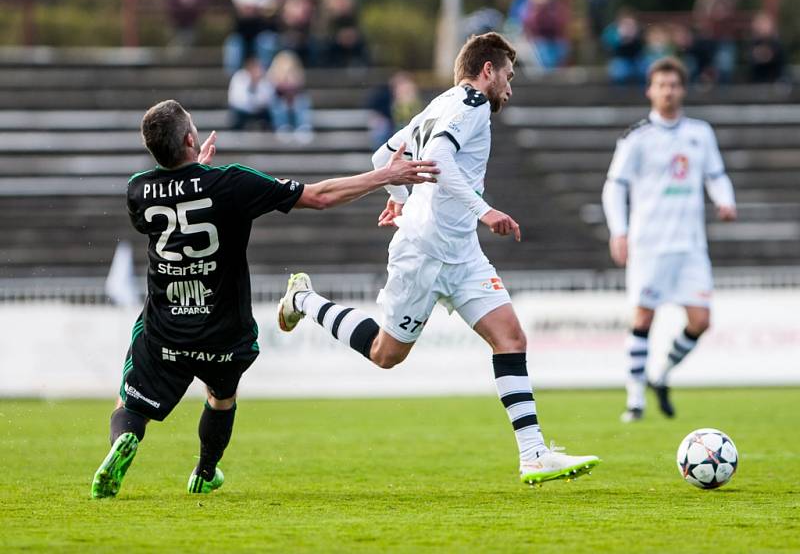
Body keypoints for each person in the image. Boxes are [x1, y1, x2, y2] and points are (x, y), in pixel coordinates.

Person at [277, 32, 600, 485]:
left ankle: (533, 454)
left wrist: (399, 195)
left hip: (462, 252)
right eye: (508, 74)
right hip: (424, 251)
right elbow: (440, 156)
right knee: (385, 355)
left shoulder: (438, 105)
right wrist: (484, 210)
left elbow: (384, 154)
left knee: (510, 337)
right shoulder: (471, 106)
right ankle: (305, 299)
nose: (510, 85)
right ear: (487, 70)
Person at [90, 99, 439, 499]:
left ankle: (124, 441)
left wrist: (191, 173)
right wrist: (386, 175)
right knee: (221, 398)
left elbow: (177, 197)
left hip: (166, 328)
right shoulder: (230, 183)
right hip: (223, 329)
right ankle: (205, 471)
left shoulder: (138, 189)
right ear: (190, 138)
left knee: (130, 404)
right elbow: (319, 196)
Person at [601, 57, 737, 423]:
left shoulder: (700, 132)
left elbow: (716, 175)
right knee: (644, 316)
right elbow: (613, 188)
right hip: (650, 243)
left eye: (674, 85)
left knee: (701, 320)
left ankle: (659, 374)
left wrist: (726, 200)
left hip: (691, 246)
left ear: (683, 90)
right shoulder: (637, 137)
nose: (668, 91)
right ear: (650, 90)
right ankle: (634, 401)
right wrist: (619, 230)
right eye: (661, 85)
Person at [266, 50, 313, 141]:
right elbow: (272, 86)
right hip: (279, 100)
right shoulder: (273, 71)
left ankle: (303, 127)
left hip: (294, 99)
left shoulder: (297, 70)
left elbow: (299, 84)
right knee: (278, 105)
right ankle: (283, 127)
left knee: (302, 102)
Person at [227, 56, 274, 130]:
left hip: (259, 111)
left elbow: (267, 99)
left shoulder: (265, 79)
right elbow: (237, 101)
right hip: (242, 111)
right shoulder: (239, 77)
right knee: (235, 115)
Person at [746, 11, 786, 83]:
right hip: (757, 83)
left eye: (764, 24)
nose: (762, 27)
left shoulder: (775, 43)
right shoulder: (753, 43)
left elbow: (769, 56)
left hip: (774, 83)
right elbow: (754, 57)